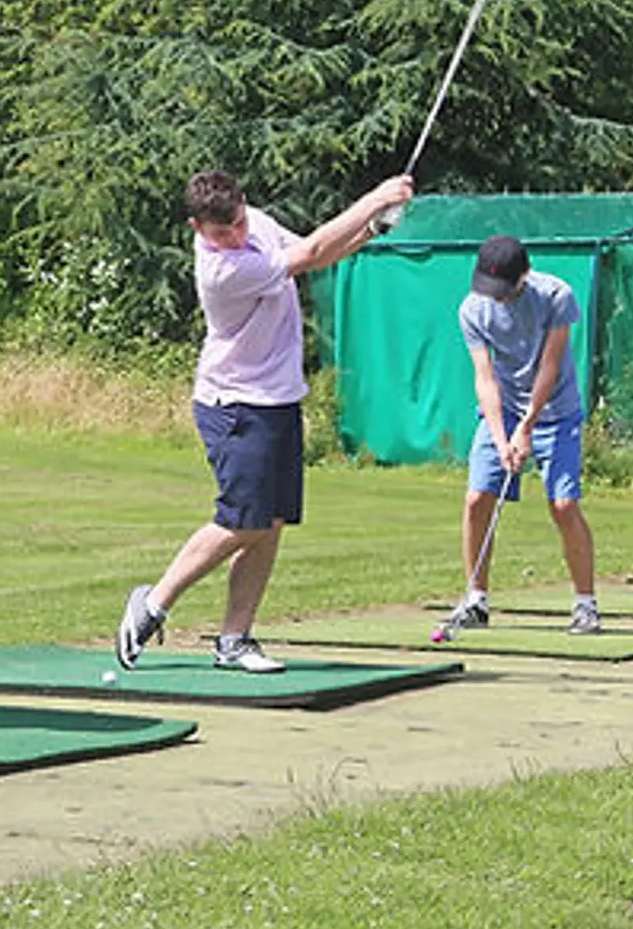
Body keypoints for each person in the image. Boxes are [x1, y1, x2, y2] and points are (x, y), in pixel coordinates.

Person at [116, 169, 414, 674]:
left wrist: (372, 230)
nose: (232, 237)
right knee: (242, 519)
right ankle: (152, 603)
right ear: (196, 229)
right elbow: (314, 252)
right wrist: (374, 199)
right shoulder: (222, 271)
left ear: (242, 206)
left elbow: (315, 256)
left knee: (270, 524)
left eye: (233, 224)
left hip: (277, 399)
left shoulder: (255, 222)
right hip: (231, 402)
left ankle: (235, 639)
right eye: (218, 233)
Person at [439, 234, 599, 635]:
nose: (496, 297)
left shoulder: (556, 295)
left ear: (523, 276)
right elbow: (485, 378)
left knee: (563, 506)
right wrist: (501, 437)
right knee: (477, 499)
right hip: (503, 411)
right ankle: (476, 600)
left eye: (504, 289)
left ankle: (586, 605)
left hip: (557, 413)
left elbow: (550, 367)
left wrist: (527, 428)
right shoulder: (473, 309)